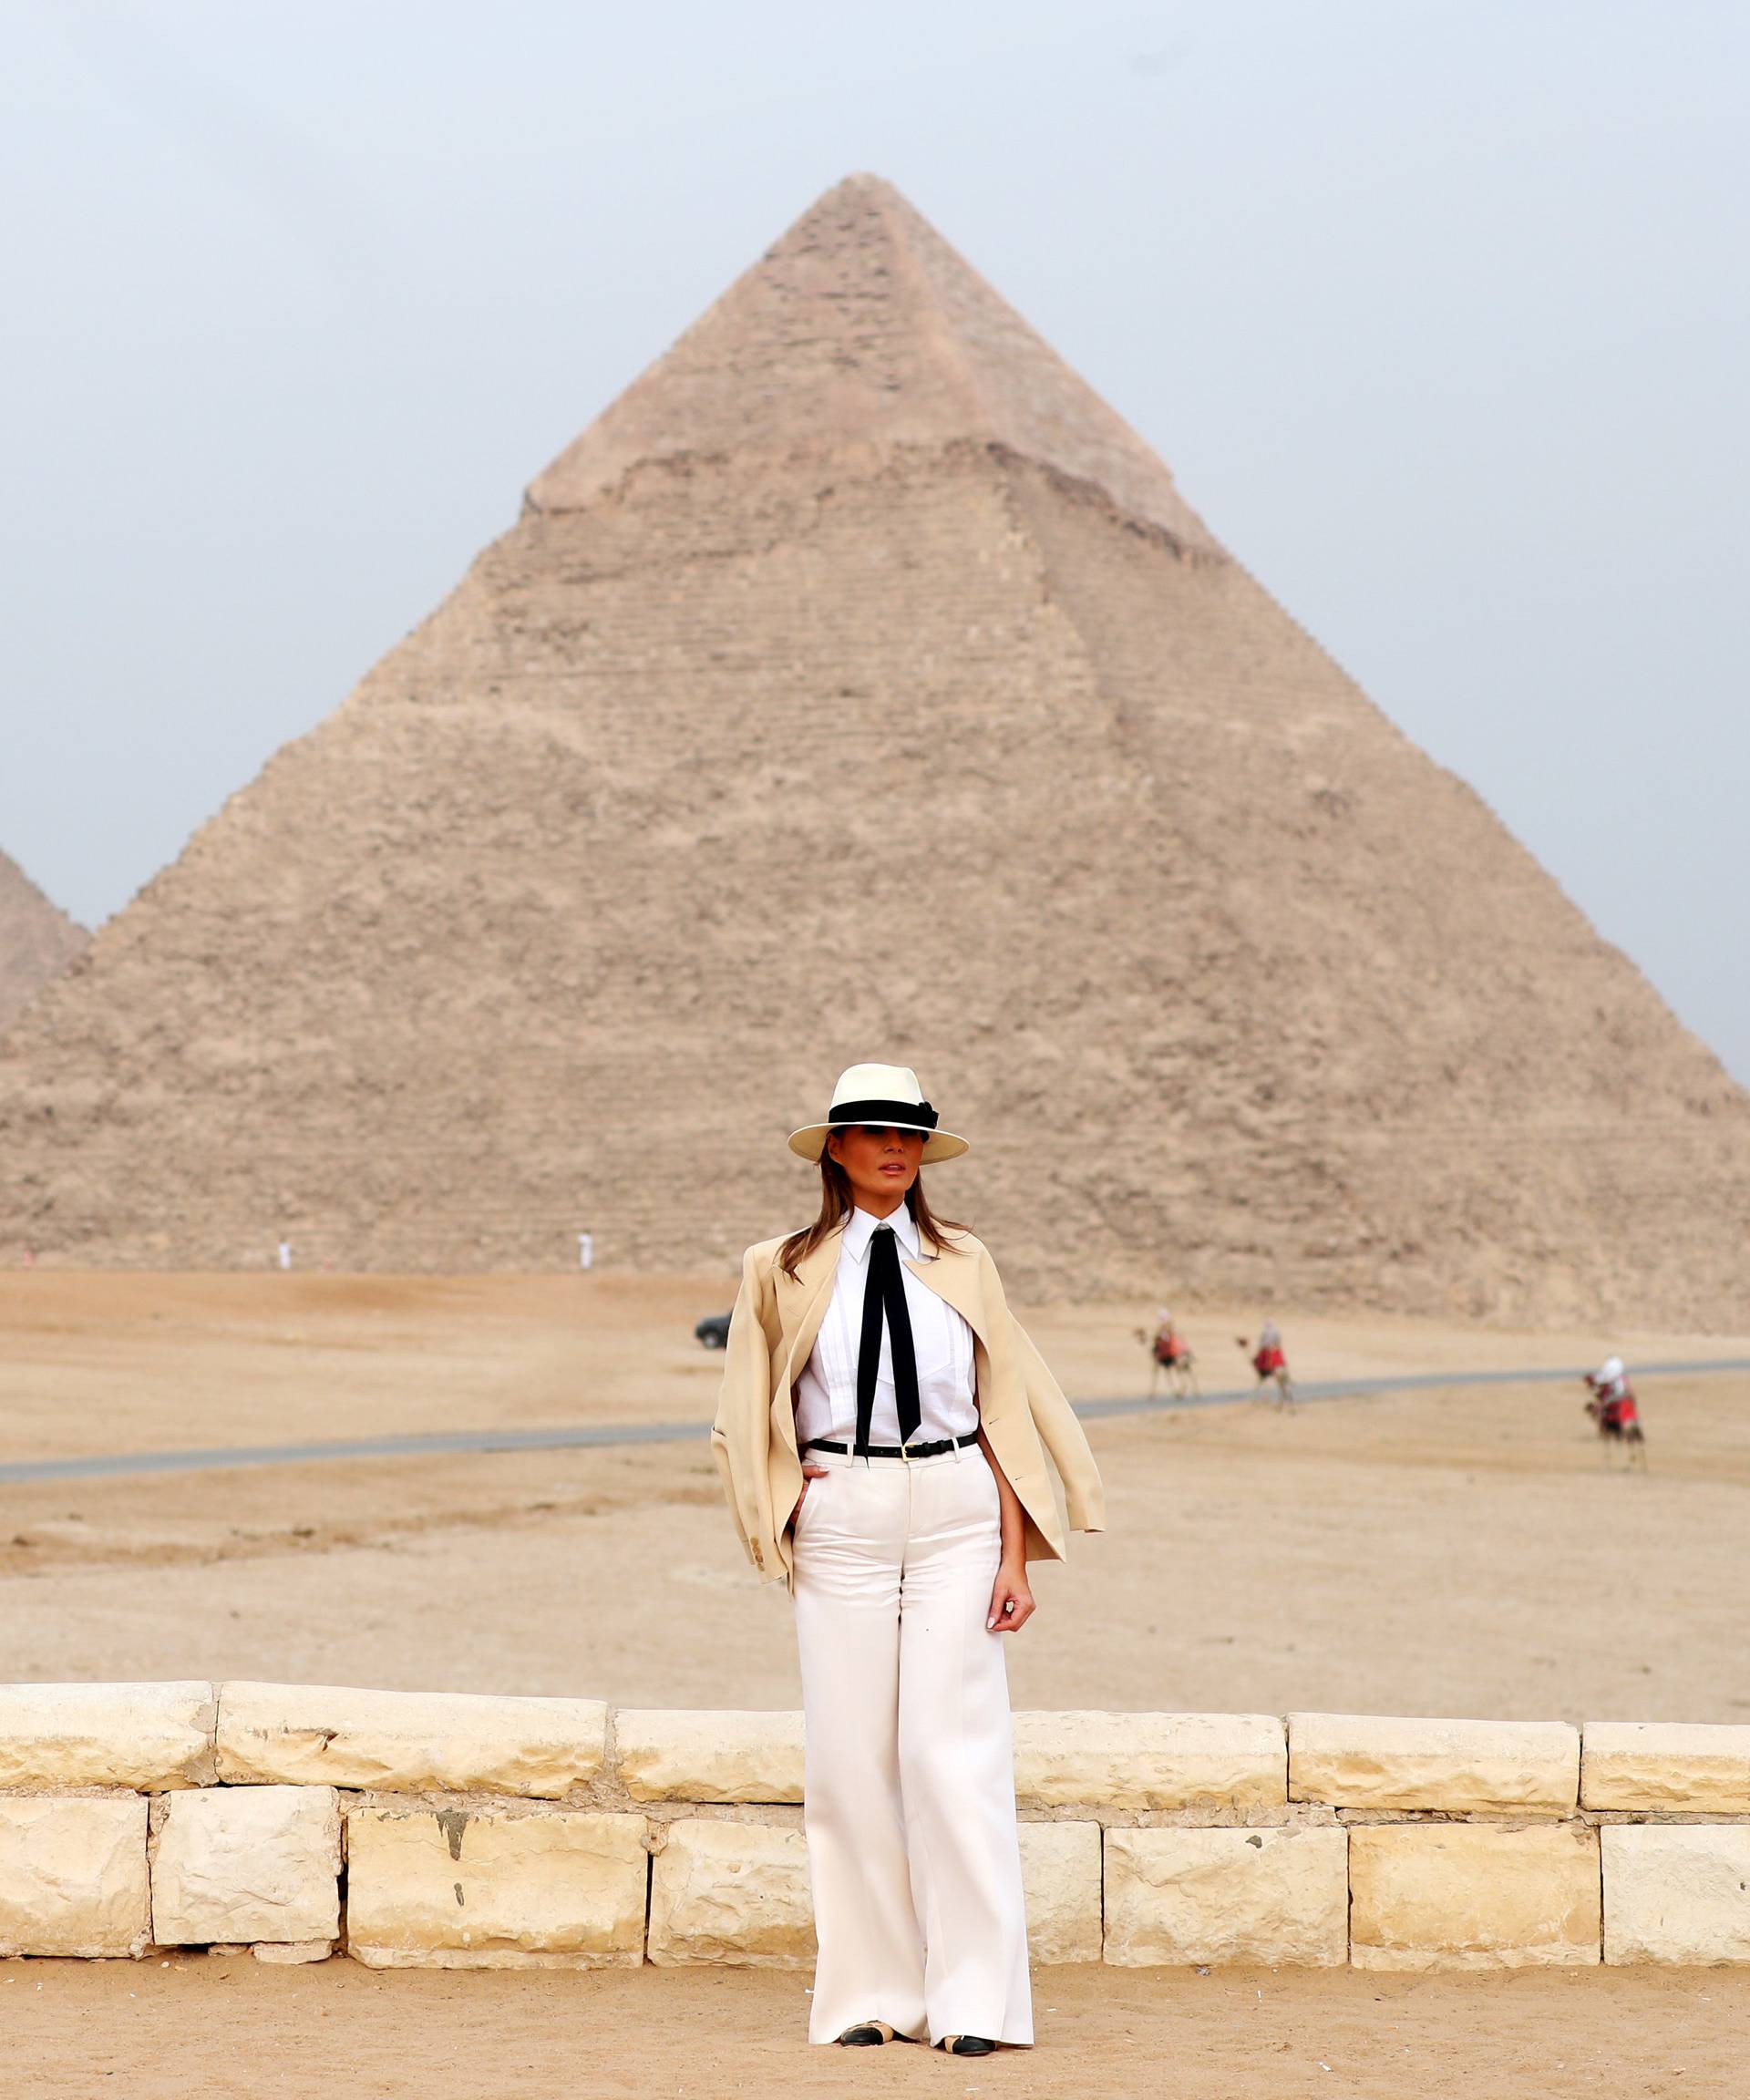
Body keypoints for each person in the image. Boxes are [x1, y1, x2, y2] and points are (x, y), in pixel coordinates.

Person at [710, 1062, 1105, 2054]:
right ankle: (872, 1997)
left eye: (913, 1134)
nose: (897, 1148)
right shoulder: (779, 1266)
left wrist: (1015, 1557)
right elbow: (742, 1409)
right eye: (877, 1132)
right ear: (835, 1148)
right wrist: (787, 1508)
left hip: (958, 1515)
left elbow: (1000, 1409)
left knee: (950, 1755)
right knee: (849, 1763)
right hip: (842, 1513)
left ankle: (976, 2004)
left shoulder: (966, 1258)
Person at [1583, 1354, 1647, 1468]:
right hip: (1623, 1403)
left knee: (1618, 1424)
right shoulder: (1620, 1378)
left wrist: (1603, 1403)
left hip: (1619, 1405)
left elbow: (1607, 1388)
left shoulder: (1616, 1380)